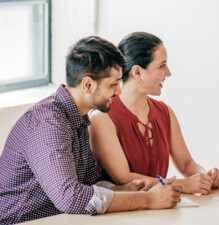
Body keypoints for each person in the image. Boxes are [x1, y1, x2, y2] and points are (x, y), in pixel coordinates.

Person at [0, 36, 181, 224]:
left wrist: (124, 189)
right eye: (113, 84)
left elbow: (89, 180)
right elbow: (70, 198)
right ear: (88, 85)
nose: (118, 91)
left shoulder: (78, 118)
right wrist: (148, 200)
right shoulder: (49, 123)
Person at [89, 32, 219, 195]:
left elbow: (187, 164)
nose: (168, 73)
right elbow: (123, 178)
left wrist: (206, 175)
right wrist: (181, 185)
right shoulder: (102, 117)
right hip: (121, 214)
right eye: (162, 66)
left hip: (161, 208)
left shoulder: (165, 112)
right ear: (137, 72)